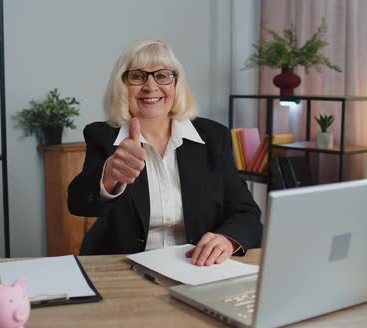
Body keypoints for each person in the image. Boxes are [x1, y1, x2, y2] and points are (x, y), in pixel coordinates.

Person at [68, 40, 262, 266]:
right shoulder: (102, 136)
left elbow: (247, 212)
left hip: (196, 267)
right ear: (122, 85)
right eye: (138, 77)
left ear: (176, 83)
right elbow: (78, 204)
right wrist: (109, 176)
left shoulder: (213, 136)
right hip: (124, 267)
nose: (151, 86)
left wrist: (227, 240)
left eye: (162, 76)